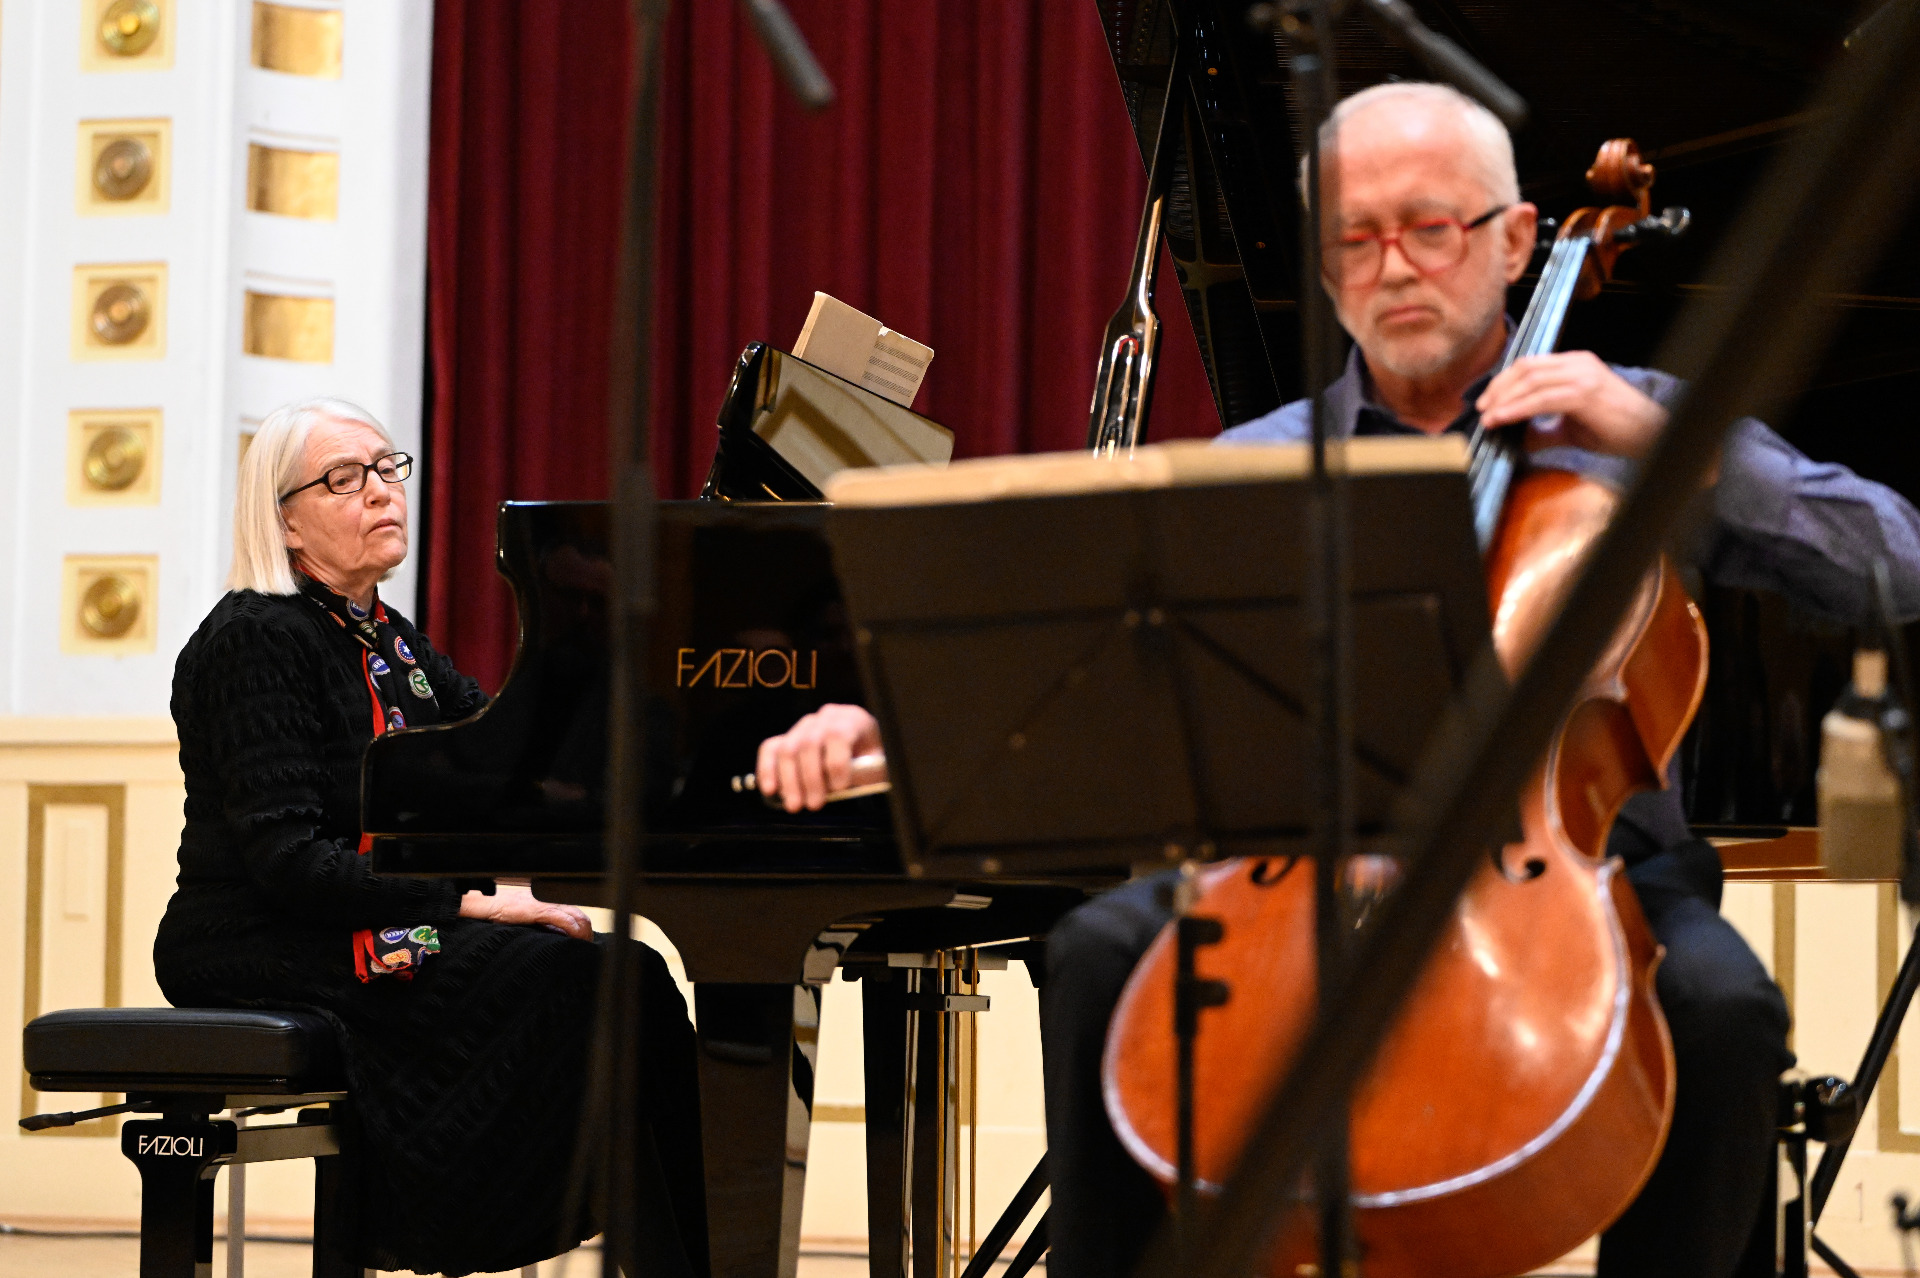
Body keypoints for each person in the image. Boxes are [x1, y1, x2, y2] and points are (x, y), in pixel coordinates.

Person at [756, 82, 1920, 1278]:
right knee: (1100, 953)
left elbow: (1897, 560)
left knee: (1727, 1018)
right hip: (1293, 871)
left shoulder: (1635, 429)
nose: (1393, 267)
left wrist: (1660, 440)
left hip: (1590, 876)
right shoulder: (1256, 464)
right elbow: (1099, 674)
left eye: (1431, 227)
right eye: (1353, 240)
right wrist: (892, 718)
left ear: (1518, 240)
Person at [153, 397, 707, 1278]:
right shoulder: (252, 639)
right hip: (260, 937)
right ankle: (447, 1221)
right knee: (602, 980)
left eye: (385, 468)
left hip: (359, 917)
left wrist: (598, 650)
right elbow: (288, 863)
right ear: (283, 517)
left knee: (622, 975)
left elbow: (501, 755)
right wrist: (469, 900)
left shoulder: (387, 640)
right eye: (344, 478)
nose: (379, 490)